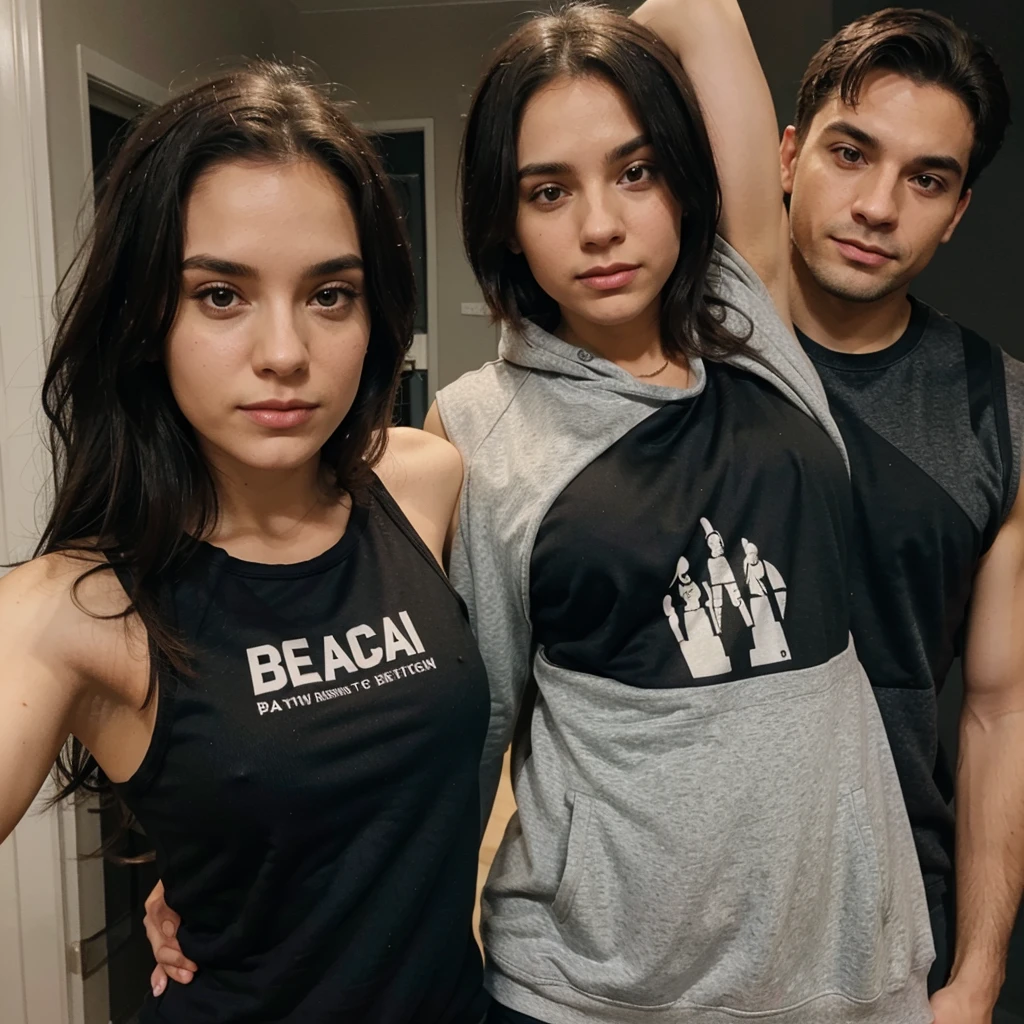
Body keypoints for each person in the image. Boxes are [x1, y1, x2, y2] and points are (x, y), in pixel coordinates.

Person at [430, 1, 934, 1020]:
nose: (601, 224)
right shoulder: (477, 429)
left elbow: (702, 14)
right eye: (547, 188)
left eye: (636, 169)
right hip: (595, 990)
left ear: (680, 183)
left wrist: (593, 41)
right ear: (504, 220)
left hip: (847, 973)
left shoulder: (749, 320)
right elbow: (466, 727)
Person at [0, 62, 491, 1024]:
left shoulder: (421, 481)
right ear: (148, 320)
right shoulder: (72, 606)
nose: (284, 352)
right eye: (221, 295)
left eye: (330, 294)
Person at [780, 9, 1024, 1020]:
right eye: (849, 152)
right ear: (786, 156)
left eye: (924, 179)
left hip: (893, 938)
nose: (877, 205)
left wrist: (976, 975)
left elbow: (998, 711)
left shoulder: (999, 407)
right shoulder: (681, 366)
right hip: (666, 938)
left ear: (957, 210)